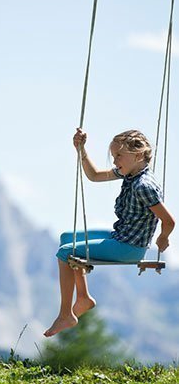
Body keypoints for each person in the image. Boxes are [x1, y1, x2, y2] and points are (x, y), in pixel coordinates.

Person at [44, 128, 175, 337]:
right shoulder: (131, 174)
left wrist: (163, 238)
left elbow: (168, 220)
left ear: (138, 154)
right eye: (114, 156)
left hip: (129, 249)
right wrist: (82, 150)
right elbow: (94, 175)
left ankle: (65, 314)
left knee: (65, 252)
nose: (114, 161)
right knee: (66, 238)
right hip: (120, 238)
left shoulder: (143, 185)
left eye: (118, 156)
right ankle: (84, 298)